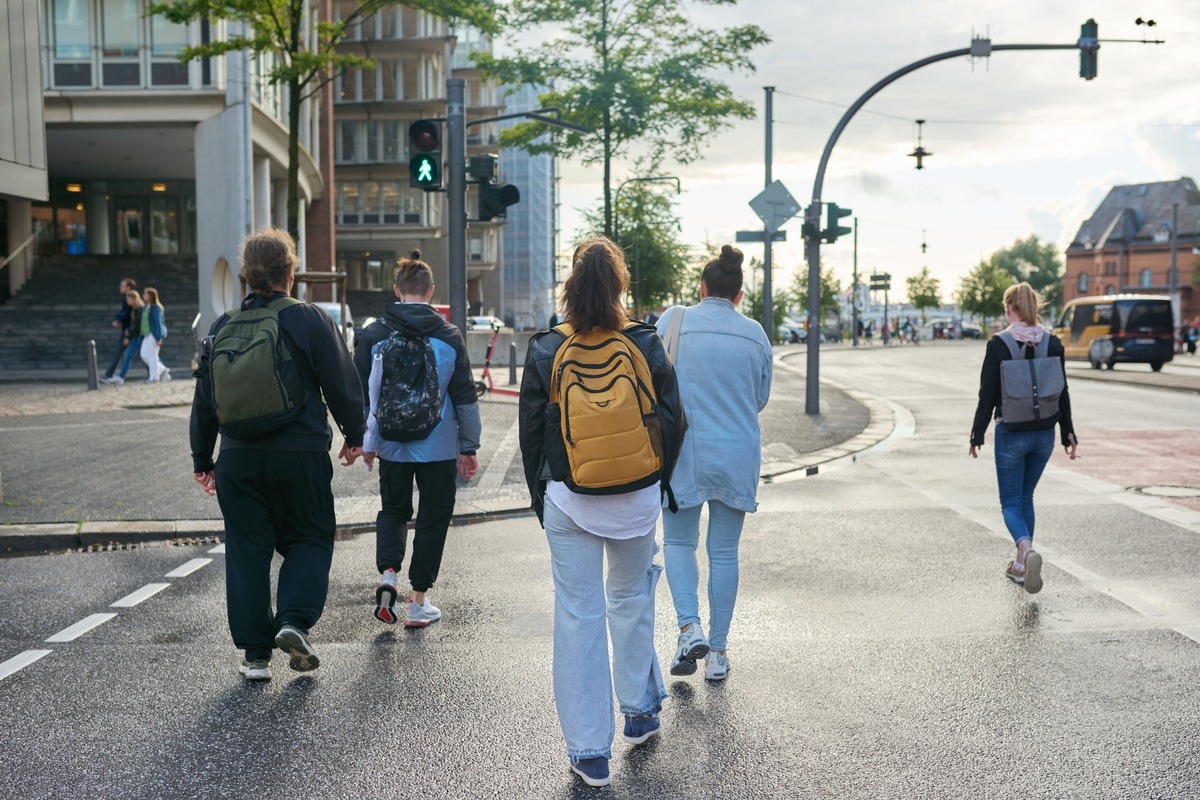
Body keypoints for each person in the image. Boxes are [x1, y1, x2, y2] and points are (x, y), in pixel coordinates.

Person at [519, 237, 685, 788]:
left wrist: (542, 500)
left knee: (578, 614)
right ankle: (639, 711)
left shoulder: (546, 348)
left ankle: (590, 751)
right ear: (621, 285)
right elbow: (673, 418)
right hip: (636, 496)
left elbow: (531, 434)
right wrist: (654, 479)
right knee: (631, 597)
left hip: (570, 495)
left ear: (570, 285)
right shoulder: (644, 341)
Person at [189, 227, 367, 682]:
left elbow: (206, 398)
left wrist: (202, 459)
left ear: (247, 276)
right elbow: (341, 382)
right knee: (308, 537)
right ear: (290, 272)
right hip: (299, 452)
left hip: (238, 457)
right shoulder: (310, 319)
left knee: (247, 550)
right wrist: (354, 433)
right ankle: (293, 621)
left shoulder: (221, 327)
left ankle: (255, 655)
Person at [656, 245, 772, 682]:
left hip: (682, 450)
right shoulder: (755, 334)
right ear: (739, 295)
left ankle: (689, 628)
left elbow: (654, 378)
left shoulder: (674, 320)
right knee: (724, 552)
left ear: (701, 288)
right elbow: (759, 398)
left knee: (679, 544)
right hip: (737, 450)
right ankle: (719, 654)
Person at [353, 250, 482, 628]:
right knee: (432, 519)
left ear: (397, 290)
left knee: (393, 511)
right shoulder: (448, 335)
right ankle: (418, 602)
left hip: (391, 443)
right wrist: (469, 446)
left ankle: (388, 575)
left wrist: (365, 439)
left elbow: (361, 392)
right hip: (438, 446)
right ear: (430, 292)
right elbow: (464, 396)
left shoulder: (375, 333)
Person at [970, 282, 1078, 594]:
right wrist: (1067, 432)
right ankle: (1020, 566)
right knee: (1026, 497)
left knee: (1010, 502)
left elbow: (987, 394)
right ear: (1034, 306)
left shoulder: (999, 344)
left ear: (1009, 308)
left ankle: (1026, 549)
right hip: (1044, 432)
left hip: (1012, 433)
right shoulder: (1053, 343)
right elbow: (1063, 391)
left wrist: (977, 433)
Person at [101, 277, 137, 383]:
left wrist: (128, 334)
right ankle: (110, 374)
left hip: (130, 332)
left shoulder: (131, 301)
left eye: (122, 286)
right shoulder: (127, 300)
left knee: (144, 354)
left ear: (128, 287)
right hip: (128, 331)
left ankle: (109, 375)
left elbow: (129, 316)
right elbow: (124, 314)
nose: (120, 288)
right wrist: (118, 320)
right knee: (144, 354)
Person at [139, 287, 170, 383]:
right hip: (147, 334)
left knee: (153, 356)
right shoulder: (146, 307)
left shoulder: (155, 308)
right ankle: (162, 369)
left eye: (145, 294)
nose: (143, 296)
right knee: (144, 355)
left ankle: (154, 378)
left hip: (154, 334)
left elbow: (158, 323)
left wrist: (158, 337)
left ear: (150, 296)